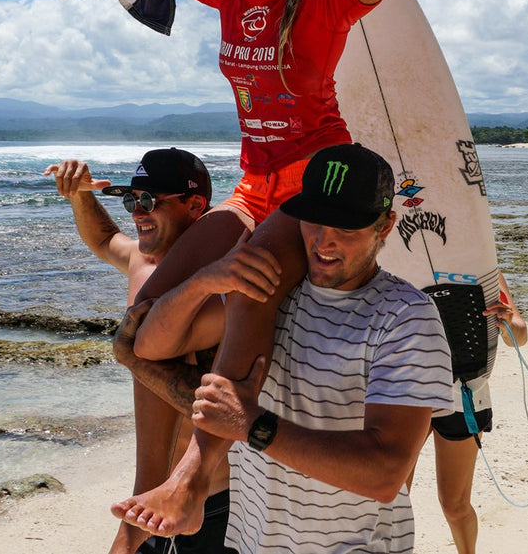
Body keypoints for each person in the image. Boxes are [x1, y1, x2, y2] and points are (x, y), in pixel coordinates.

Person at [114, 0, 445, 536]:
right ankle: (206, 436)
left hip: (311, 182)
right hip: (254, 184)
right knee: (134, 332)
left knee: (253, 282)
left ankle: (196, 474)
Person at [136, 143, 455, 552]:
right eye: (314, 222)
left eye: (346, 229)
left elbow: (384, 473)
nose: (323, 242)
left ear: (386, 225)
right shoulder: (270, 296)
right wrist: (206, 280)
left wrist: (252, 424)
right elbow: (148, 345)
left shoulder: (405, 317)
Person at [44, 148, 232, 554]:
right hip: (148, 504)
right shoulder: (141, 262)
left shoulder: (223, 276)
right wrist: (80, 196)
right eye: (130, 200)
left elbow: (223, 402)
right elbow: (104, 238)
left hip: (216, 501)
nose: (136, 213)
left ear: (195, 204)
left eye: (148, 201)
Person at [424, 272, 528, 554]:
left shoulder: (482, 267)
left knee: (454, 505)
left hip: (463, 392)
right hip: (408, 388)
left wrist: (506, 322)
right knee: (391, 497)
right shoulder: (396, 257)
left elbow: (520, 334)